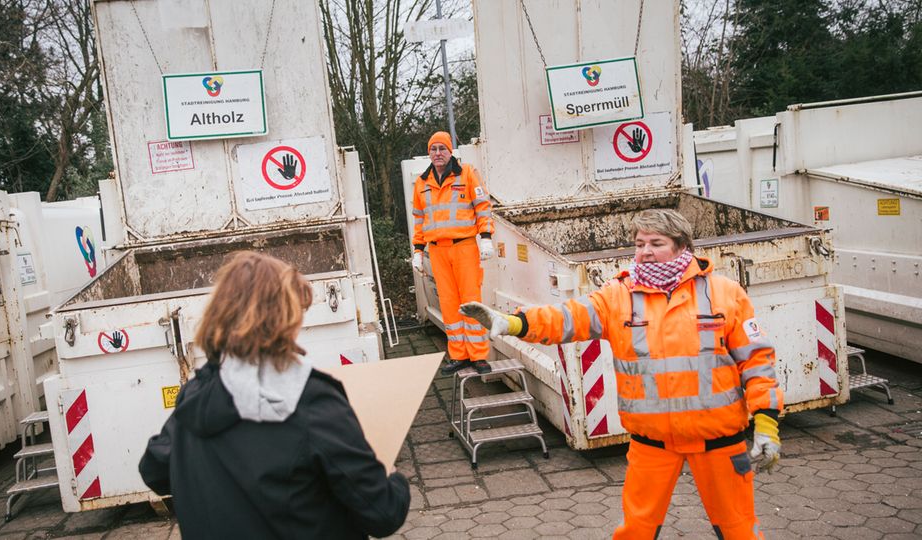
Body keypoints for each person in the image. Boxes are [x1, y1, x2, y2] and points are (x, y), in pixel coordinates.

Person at [460, 209, 783, 539]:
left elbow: (756, 362)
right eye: (639, 243)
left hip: (719, 441)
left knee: (739, 530)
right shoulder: (618, 296)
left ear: (682, 246)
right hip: (652, 442)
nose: (644, 251)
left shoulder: (726, 294)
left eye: (656, 243)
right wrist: (514, 323)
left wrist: (767, 424)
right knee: (636, 531)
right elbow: (566, 318)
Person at [138, 252, 410, 539]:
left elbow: (154, 470)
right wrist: (393, 478)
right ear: (284, 321)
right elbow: (383, 513)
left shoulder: (196, 393)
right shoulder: (311, 401)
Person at [412, 131, 496, 375]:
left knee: (470, 301)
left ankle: (479, 356)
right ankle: (459, 355)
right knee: (448, 304)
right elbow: (419, 221)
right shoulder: (421, 183)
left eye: (442, 148)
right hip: (438, 251)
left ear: (451, 152)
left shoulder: (467, 174)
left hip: (465, 247)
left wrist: (487, 238)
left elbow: (483, 208)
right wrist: (418, 251)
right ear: (429, 153)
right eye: (433, 149)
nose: (437, 153)